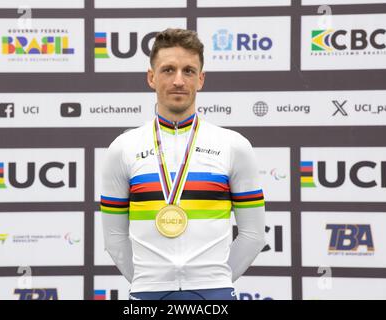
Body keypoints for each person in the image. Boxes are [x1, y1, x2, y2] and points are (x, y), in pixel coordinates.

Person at [100, 28, 266, 300]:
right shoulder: (123, 148)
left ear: (200, 79)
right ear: (151, 78)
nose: (178, 80)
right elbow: (114, 238)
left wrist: (214, 281)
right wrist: (150, 281)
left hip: (215, 295)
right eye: (168, 70)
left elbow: (253, 234)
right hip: (147, 295)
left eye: (188, 71)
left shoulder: (233, 145)